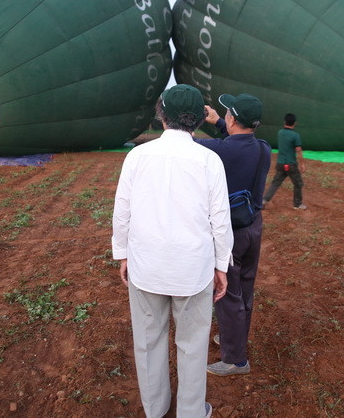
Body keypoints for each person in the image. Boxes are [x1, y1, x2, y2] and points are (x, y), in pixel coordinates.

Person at [112, 84, 232, 418]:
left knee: (149, 341)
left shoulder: (137, 157)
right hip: (193, 269)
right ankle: (191, 412)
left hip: (146, 265)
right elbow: (220, 220)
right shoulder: (209, 160)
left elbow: (122, 211)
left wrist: (122, 253)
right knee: (192, 345)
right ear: (198, 120)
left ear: (161, 115)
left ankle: (156, 409)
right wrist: (221, 265)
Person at [197, 93, 271, 378]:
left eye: (226, 114)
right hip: (254, 226)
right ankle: (235, 337)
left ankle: (235, 360)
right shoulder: (263, 148)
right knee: (246, 288)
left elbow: (188, 145)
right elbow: (239, 142)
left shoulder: (217, 150)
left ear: (232, 119)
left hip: (231, 233)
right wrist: (217, 121)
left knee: (226, 293)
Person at [263, 112, 306, 210]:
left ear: (285, 122)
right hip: (291, 165)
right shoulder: (295, 135)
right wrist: (302, 164)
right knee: (298, 184)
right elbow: (298, 150)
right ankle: (297, 204)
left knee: (275, 183)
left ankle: (264, 200)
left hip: (280, 164)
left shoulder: (280, 133)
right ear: (295, 123)